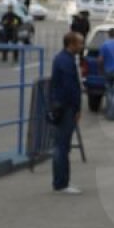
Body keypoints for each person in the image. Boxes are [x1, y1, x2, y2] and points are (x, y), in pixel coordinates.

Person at [49, 31, 85, 195]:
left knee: (61, 146)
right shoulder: (65, 61)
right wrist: (76, 108)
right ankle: (61, 183)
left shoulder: (65, 59)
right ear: (71, 44)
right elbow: (70, 87)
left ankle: (60, 181)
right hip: (65, 108)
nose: (82, 46)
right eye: (80, 43)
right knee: (62, 146)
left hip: (62, 106)